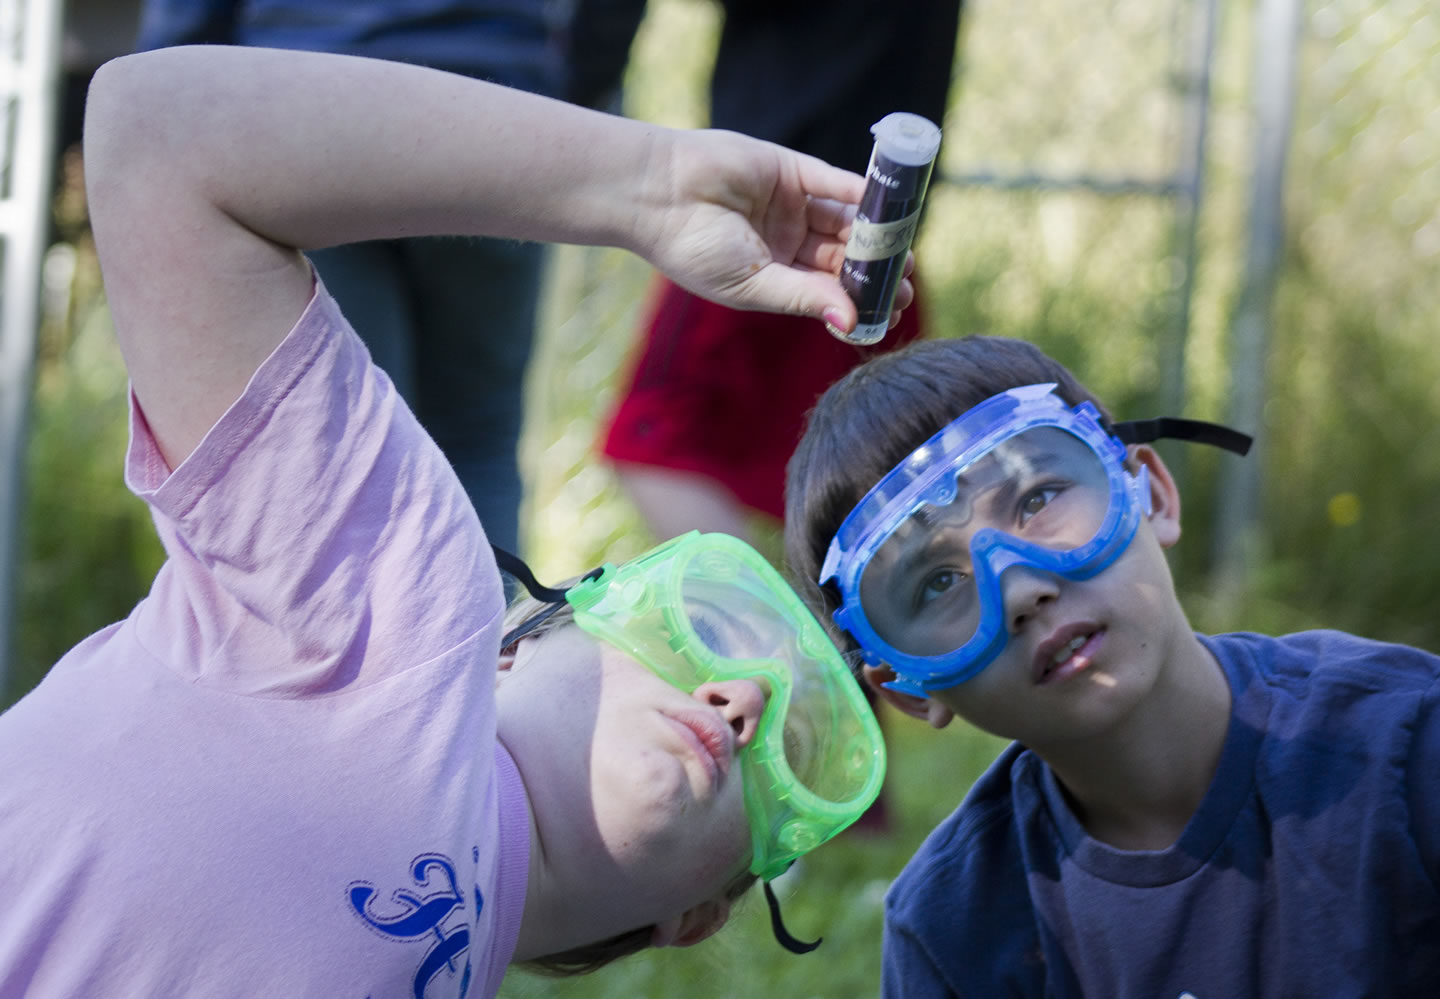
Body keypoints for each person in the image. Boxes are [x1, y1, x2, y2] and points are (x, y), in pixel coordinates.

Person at [0, 44, 901, 995]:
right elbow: (161, 132)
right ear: (518, 642)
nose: (745, 702)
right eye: (694, 632)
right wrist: (650, 188)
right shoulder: (406, 621)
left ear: (699, 913)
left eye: (787, 755)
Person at [781, 335, 1440, 996]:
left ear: (1150, 493)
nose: (1021, 586)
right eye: (936, 583)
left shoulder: (1428, 742)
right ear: (905, 685)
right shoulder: (950, 928)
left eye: (1037, 499)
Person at [135, 0, 571, 556]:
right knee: (476, 433)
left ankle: (375, 643)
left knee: (348, 441)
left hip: (306, 105)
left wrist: (156, 138)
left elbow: (186, 24)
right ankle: (495, 639)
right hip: (499, 103)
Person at [572, 0, 960, 543]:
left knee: (656, 449)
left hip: (773, 211)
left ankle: (773, 628)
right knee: (875, 480)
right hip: (874, 218)